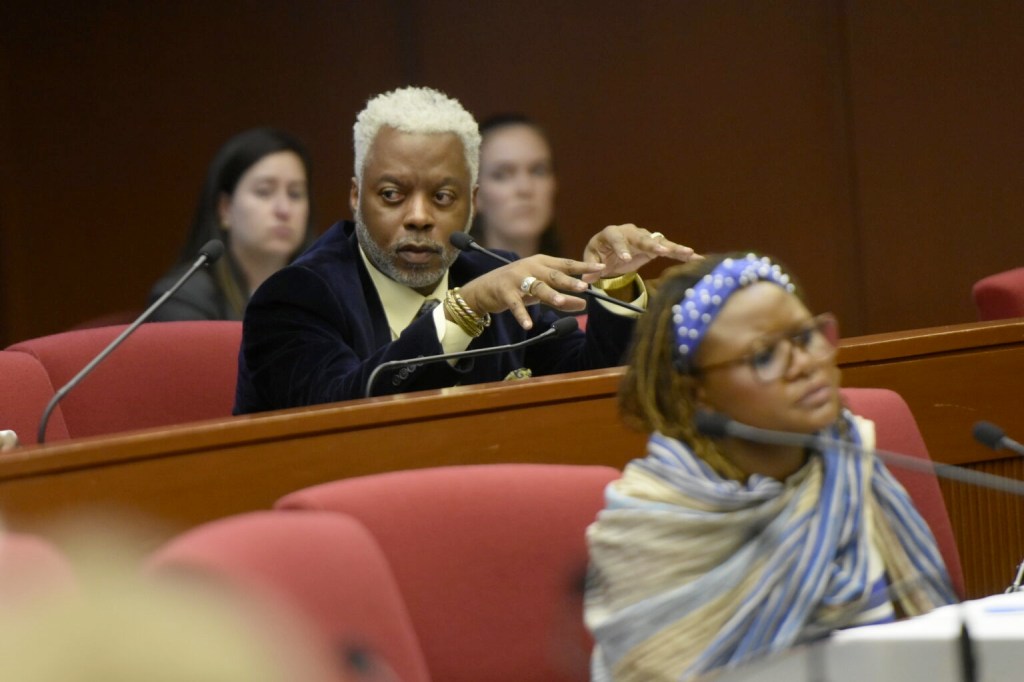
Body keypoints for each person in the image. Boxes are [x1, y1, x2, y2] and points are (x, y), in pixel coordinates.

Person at [584, 253, 957, 682]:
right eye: (763, 356)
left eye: (805, 336)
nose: (804, 364)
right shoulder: (649, 528)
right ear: (696, 391)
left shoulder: (849, 466)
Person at [233, 86, 698, 413]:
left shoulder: (494, 273)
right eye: (392, 195)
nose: (419, 217)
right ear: (356, 197)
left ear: (473, 203)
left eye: (443, 197)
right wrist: (464, 309)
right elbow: (340, 412)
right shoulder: (296, 298)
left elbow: (586, 386)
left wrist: (615, 285)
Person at [147, 127, 316, 321]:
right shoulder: (184, 298)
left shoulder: (330, 294)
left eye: (295, 194)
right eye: (264, 191)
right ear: (225, 209)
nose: (284, 209)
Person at [472, 113, 562, 257]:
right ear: (475, 194)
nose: (525, 188)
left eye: (538, 171)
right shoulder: (449, 271)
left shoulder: (583, 270)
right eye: (501, 175)